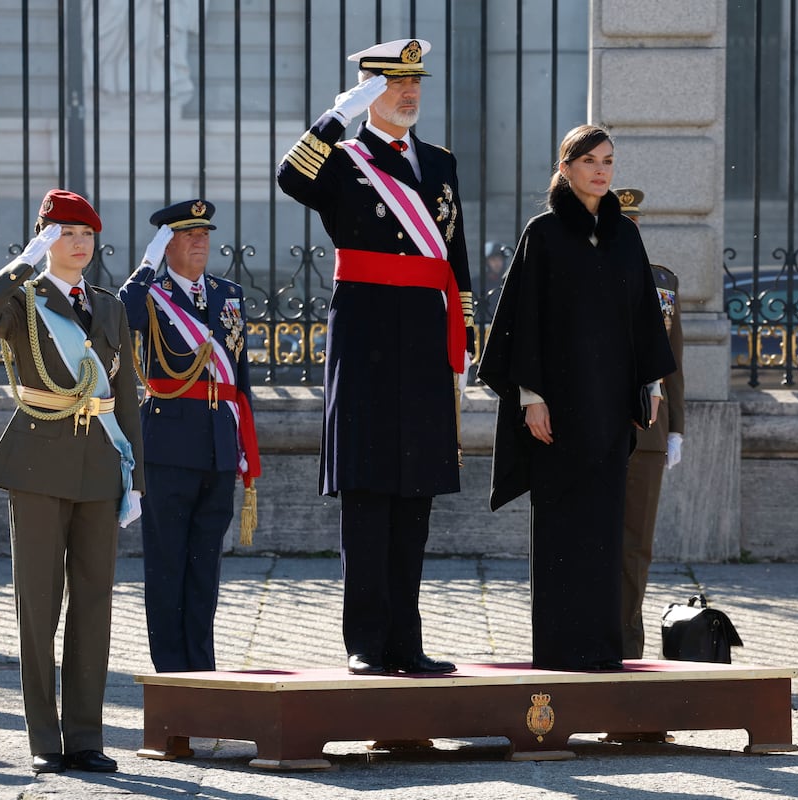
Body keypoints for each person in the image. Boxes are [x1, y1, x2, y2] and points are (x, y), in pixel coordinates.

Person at [276, 38, 475, 676]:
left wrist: (462, 338)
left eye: (415, 82)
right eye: (394, 84)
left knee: (415, 491)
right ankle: (366, 639)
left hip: (422, 335)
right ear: (369, 91)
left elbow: (455, 258)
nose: (409, 93)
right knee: (366, 488)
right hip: (363, 335)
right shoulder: (343, 158)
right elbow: (289, 175)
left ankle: (406, 642)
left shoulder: (440, 163)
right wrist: (339, 114)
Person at [478, 125, 674, 672]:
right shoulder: (542, 234)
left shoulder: (624, 236)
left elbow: (643, 319)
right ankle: (561, 653)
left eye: (608, 161)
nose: (601, 171)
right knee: (563, 529)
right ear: (565, 168)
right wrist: (531, 397)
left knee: (606, 531)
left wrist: (651, 387)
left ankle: (600, 653)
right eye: (589, 161)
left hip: (610, 408)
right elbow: (523, 321)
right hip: (557, 413)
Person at [0, 189, 144, 774]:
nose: (78, 244)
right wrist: (23, 262)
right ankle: (45, 738)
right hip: (39, 462)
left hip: (100, 462)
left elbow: (126, 398)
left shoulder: (110, 306)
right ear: (45, 238)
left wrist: (134, 475)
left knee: (94, 602)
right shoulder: (23, 298)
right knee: (39, 606)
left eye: (86, 234)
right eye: (66, 233)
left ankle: (85, 736)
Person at [118, 199, 259, 673]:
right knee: (166, 564)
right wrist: (146, 264)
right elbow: (122, 317)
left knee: (204, 566)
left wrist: (244, 447)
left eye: (204, 233)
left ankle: (202, 667)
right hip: (169, 444)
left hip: (219, 443)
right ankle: (171, 672)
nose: (200, 241)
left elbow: (241, 378)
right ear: (167, 243)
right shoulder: (151, 294)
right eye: (187, 234)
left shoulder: (229, 293)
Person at [615, 188, 686, 661]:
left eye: (634, 225)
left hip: (648, 433)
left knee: (635, 548)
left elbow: (672, 362)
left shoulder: (663, 283)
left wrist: (677, 428)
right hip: (592, 429)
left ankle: (626, 648)